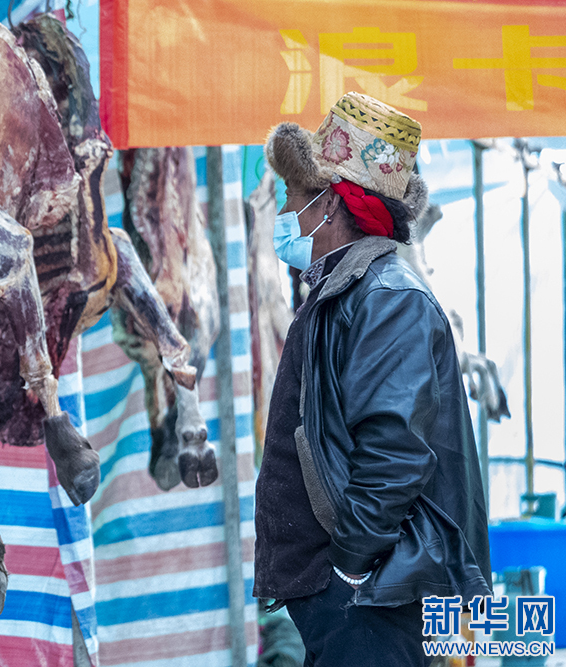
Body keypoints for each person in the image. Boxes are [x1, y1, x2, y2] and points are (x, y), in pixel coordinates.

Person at [253, 92, 492, 666]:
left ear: (331, 205)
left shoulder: (387, 298)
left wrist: (349, 569)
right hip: (348, 599)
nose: (284, 209)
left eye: (293, 196)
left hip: (371, 598)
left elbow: (394, 453)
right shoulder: (345, 293)